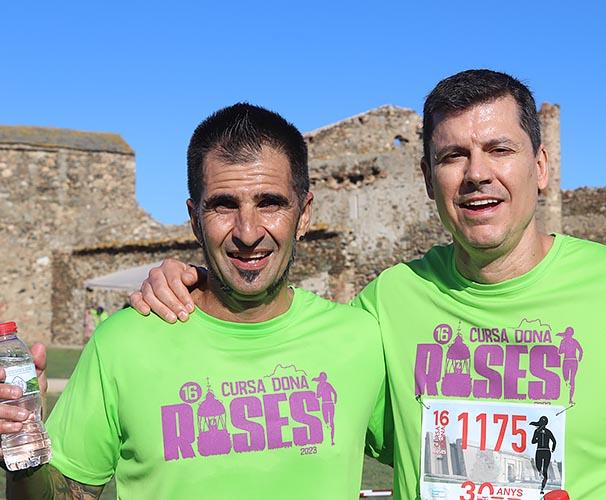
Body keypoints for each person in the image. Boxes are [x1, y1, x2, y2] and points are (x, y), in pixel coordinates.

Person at [129, 70, 606, 499]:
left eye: (499, 149)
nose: (476, 174)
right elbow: (273, 347)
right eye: (453, 156)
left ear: (541, 166)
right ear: (428, 178)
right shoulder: (387, 302)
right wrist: (195, 283)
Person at [2, 103, 387, 499]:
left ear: (303, 215)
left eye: (269, 203)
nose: (248, 232)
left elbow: (424, 455)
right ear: (195, 220)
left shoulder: (360, 339)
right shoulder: (123, 342)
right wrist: (23, 449)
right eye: (224, 205)